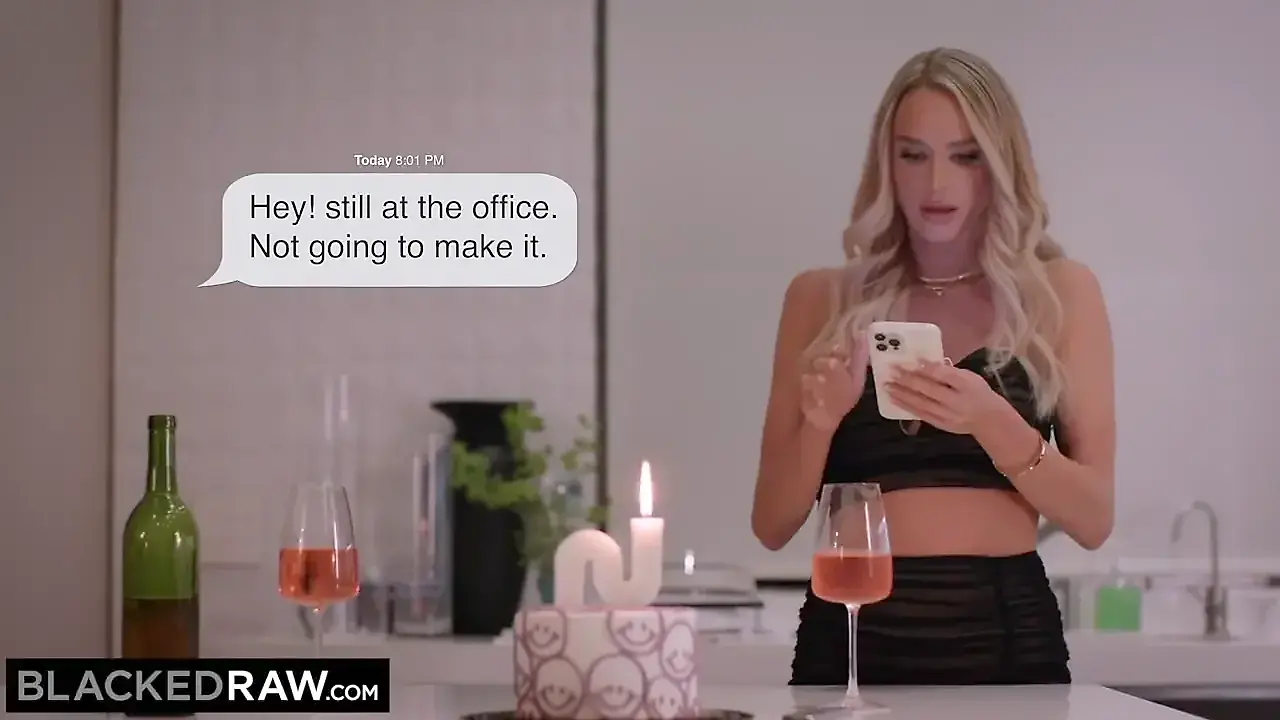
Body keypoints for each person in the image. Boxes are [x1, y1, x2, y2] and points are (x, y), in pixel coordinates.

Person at [751, 47, 1116, 686]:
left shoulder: (1060, 294)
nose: (936, 184)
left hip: (1004, 635)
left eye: (966, 156)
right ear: (886, 164)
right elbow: (772, 525)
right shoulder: (820, 298)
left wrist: (993, 424)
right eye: (914, 155)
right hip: (850, 637)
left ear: (1000, 164)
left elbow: (1093, 520)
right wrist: (821, 423)